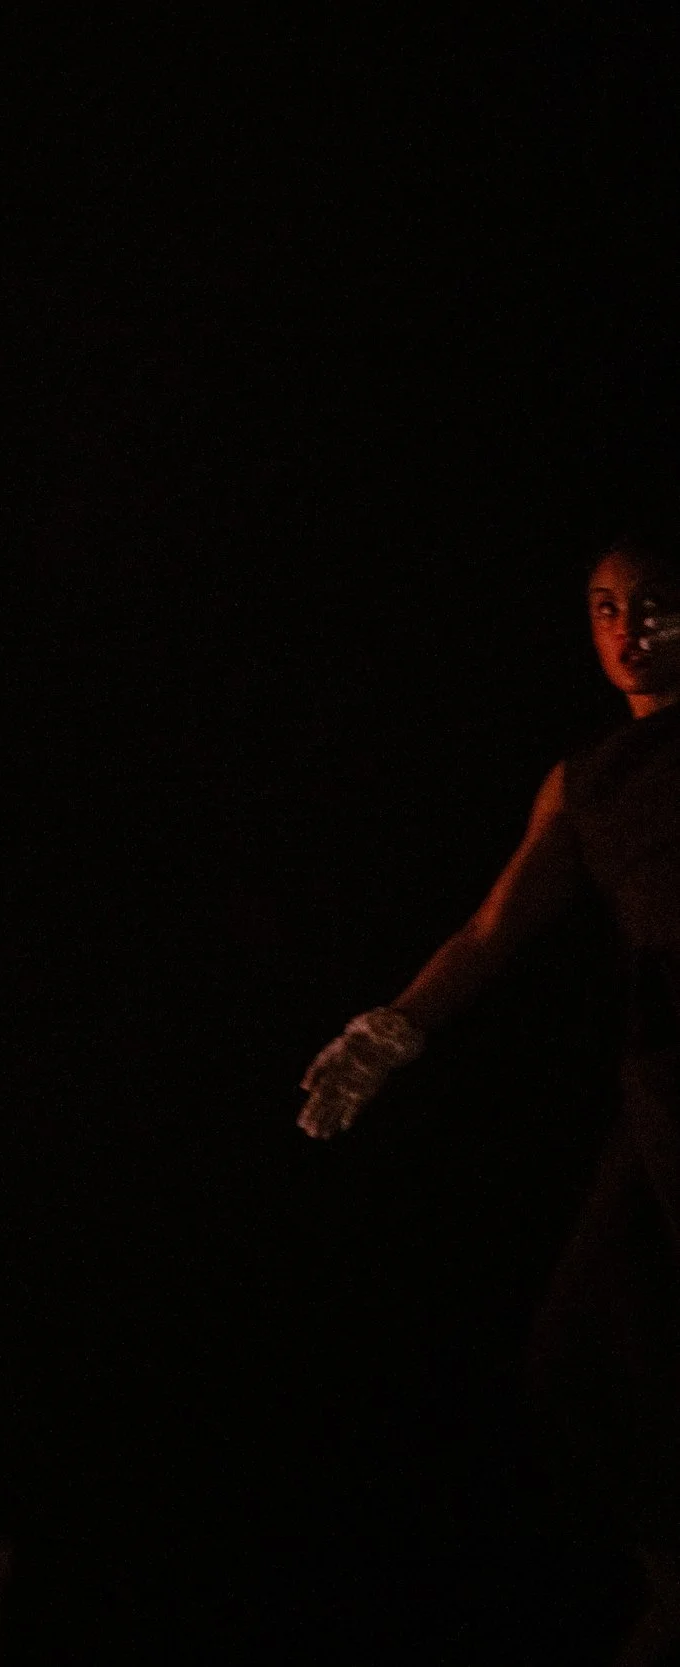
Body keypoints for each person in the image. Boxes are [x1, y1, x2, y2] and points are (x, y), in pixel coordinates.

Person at [299, 532, 680, 1665]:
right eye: (605, 606)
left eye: (654, 603)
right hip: (659, 1078)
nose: (627, 628)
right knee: (580, 1349)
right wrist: (389, 1030)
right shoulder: (588, 776)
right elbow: (492, 927)